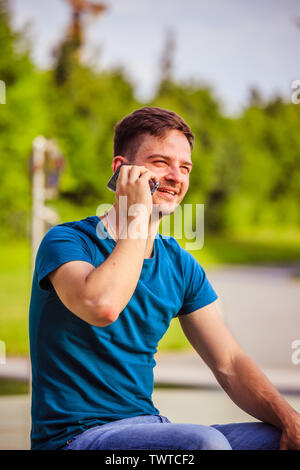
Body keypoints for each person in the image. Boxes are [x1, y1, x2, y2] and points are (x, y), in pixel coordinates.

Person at [29, 106, 300, 451]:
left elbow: (229, 362)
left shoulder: (180, 265)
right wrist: (138, 210)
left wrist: (290, 420)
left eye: (185, 167)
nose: (176, 176)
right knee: (206, 444)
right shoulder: (67, 242)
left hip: (148, 427)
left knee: (278, 440)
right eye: (161, 163)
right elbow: (103, 306)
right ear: (121, 169)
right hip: (75, 439)